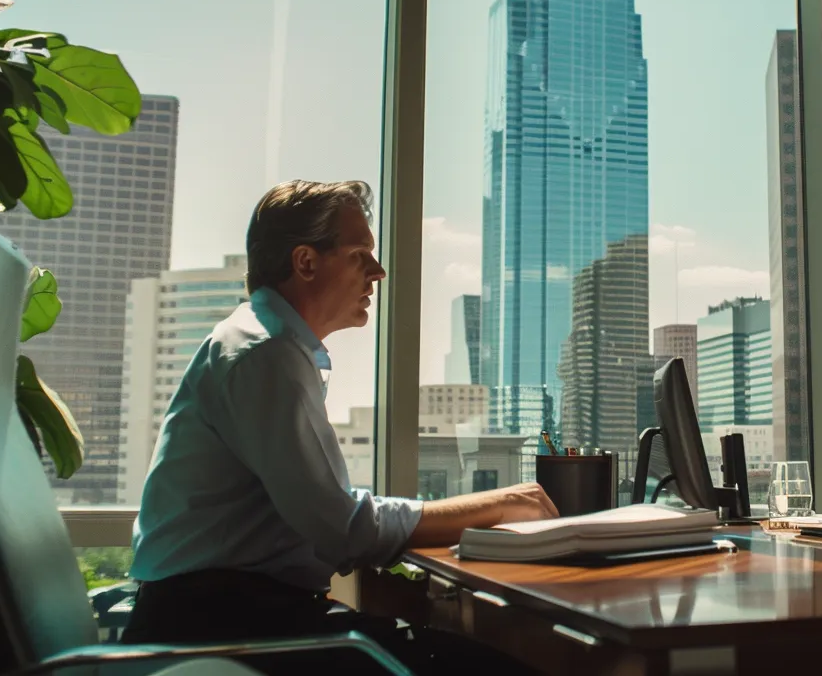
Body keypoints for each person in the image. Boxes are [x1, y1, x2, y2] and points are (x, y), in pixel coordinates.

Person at [123, 180, 555, 673]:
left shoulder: (265, 345)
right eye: (360, 255)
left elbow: (328, 519)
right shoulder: (266, 354)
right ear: (306, 262)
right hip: (220, 631)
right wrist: (496, 504)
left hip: (230, 618)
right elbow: (343, 529)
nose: (378, 271)